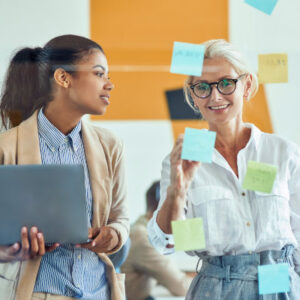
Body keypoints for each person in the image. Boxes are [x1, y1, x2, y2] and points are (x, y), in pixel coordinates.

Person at [147, 39, 300, 299]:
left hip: (278, 281)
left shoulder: (280, 152)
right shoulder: (183, 159)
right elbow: (166, 243)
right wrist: (179, 189)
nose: (215, 96)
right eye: (202, 87)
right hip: (217, 286)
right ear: (193, 96)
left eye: (226, 83)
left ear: (248, 85)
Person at [0, 34, 129, 300]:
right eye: (99, 73)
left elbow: (121, 219)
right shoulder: (6, 147)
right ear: (63, 78)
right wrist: (10, 250)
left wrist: (111, 236)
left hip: (100, 291)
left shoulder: (110, 144)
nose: (110, 85)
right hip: (40, 292)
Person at [122, 181, 192, 300]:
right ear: (162, 208)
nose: (182, 217)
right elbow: (182, 286)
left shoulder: (140, 229)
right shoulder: (141, 236)